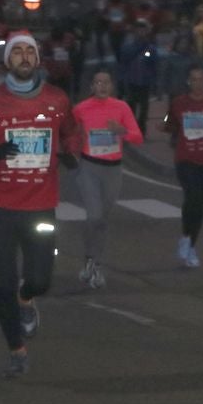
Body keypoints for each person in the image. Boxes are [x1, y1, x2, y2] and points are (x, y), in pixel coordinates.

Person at [0, 30, 80, 378]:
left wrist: (70, 152)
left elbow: (72, 131)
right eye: (17, 52)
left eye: (30, 52)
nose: (24, 57)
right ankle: (17, 349)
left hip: (41, 204)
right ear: (7, 60)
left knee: (40, 279)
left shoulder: (56, 100)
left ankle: (28, 300)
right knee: (2, 284)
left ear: (38, 59)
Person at [71, 68, 144, 288]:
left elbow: (138, 137)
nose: (101, 86)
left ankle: (94, 262)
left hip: (113, 169)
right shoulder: (81, 109)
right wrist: (76, 140)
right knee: (93, 216)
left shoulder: (121, 107)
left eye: (106, 83)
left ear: (111, 86)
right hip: (89, 167)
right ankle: (92, 263)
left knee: (102, 219)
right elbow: (68, 134)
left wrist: (121, 130)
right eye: (97, 83)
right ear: (91, 87)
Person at [160, 65, 203, 268]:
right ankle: (186, 239)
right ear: (188, 82)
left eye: (201, 79)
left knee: (199, 205)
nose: (197, 83)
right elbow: (169, 121)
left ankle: (189, 242)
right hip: (186, 159)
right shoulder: (179, 102)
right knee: (192, 197)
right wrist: (164, 126)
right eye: (193, 79)